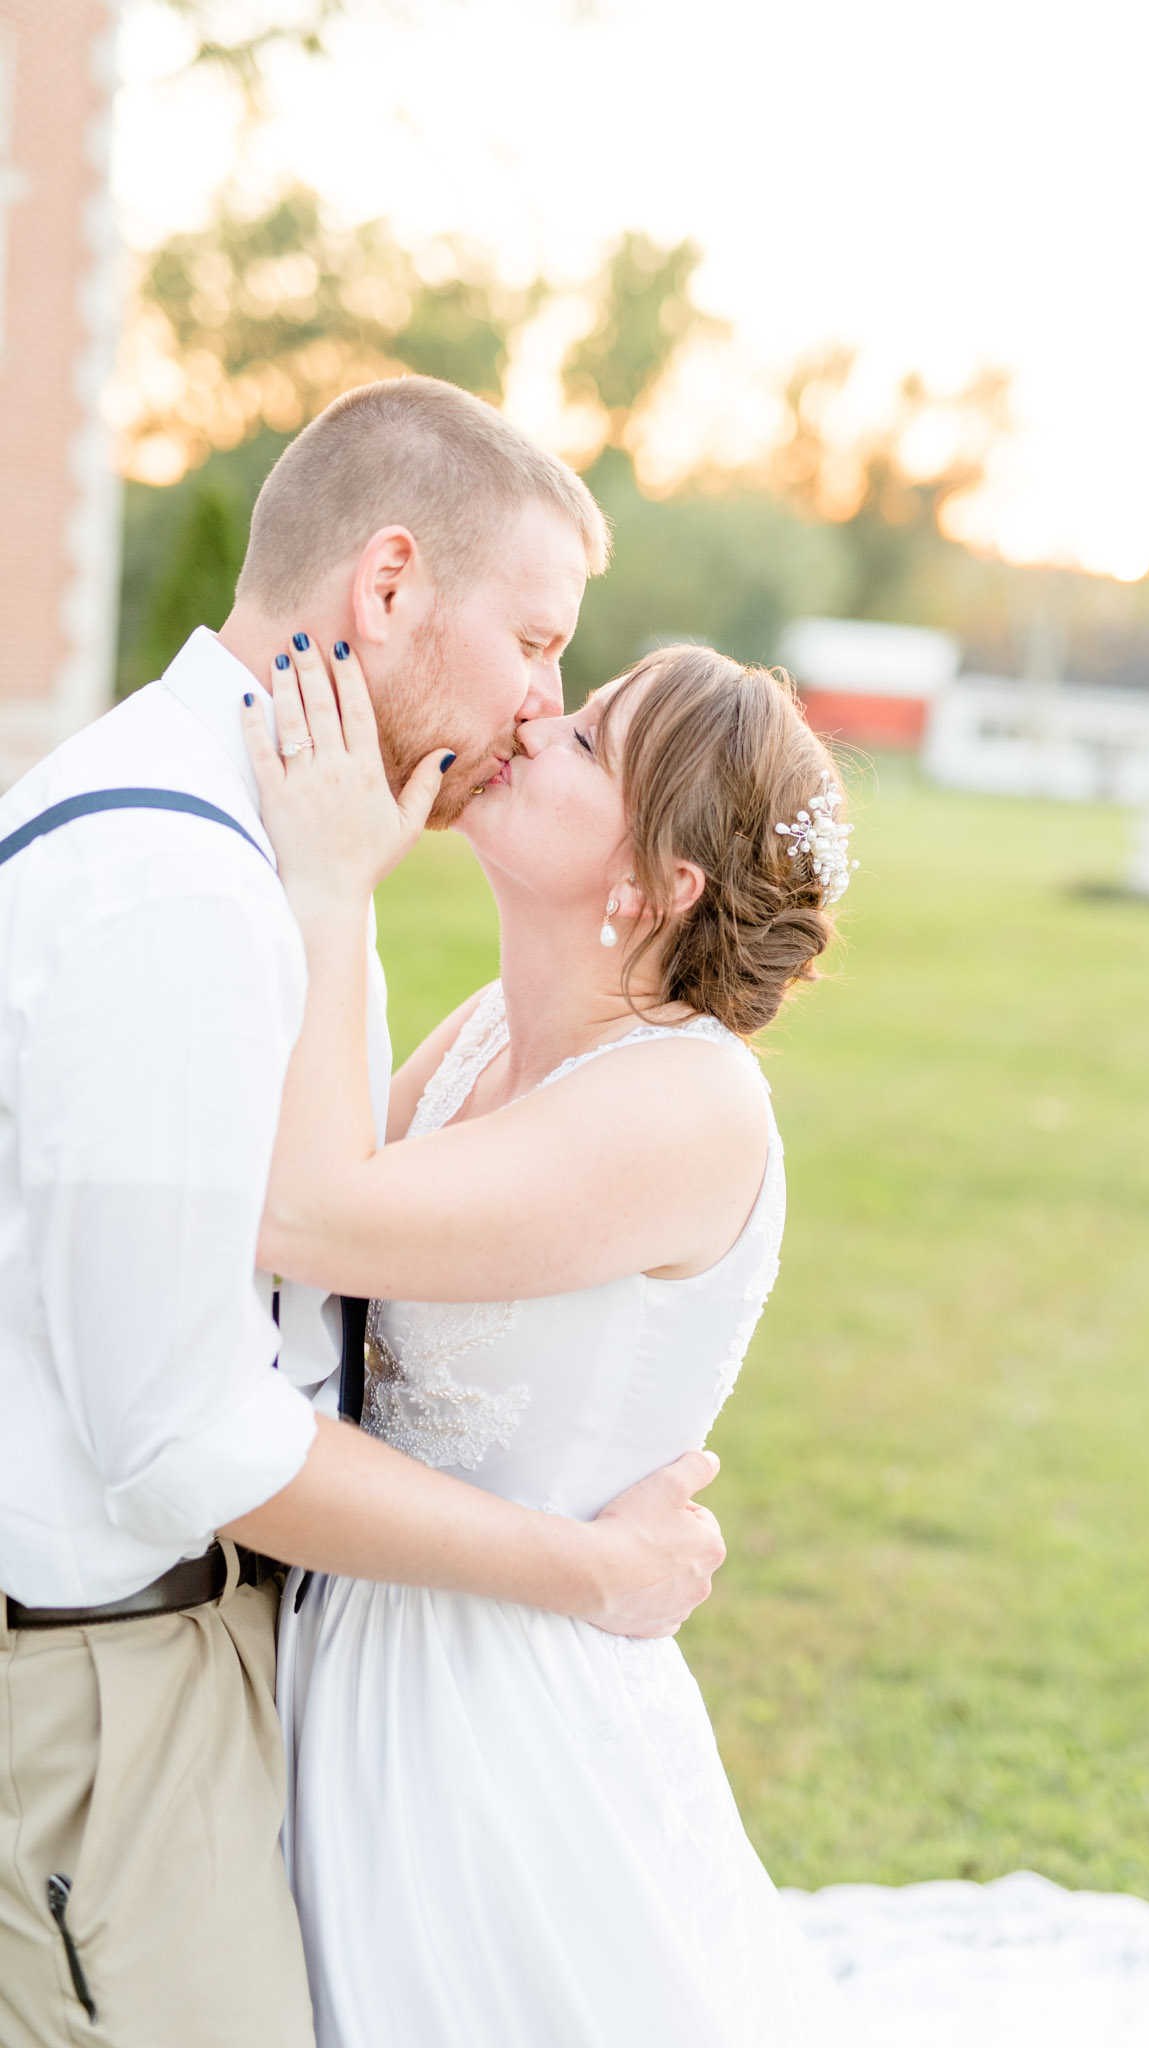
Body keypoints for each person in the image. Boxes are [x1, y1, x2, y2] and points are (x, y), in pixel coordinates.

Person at [0, 378, 724, 2048]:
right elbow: (180, 1433)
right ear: (388, 588)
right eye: (538, 641)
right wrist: (583, 1571)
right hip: (97, 1708)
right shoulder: (178, 886)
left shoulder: (273, 842)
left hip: (185, 1675)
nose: (542, 704)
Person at [241, 631, 860, 2046]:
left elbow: (309, 1213)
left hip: (502, 1716)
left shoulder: (690, 1107)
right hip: (354, 1632)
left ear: (659, 882)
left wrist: (333, 886)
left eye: (588, 738)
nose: (535, 722)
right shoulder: (481, 1036)